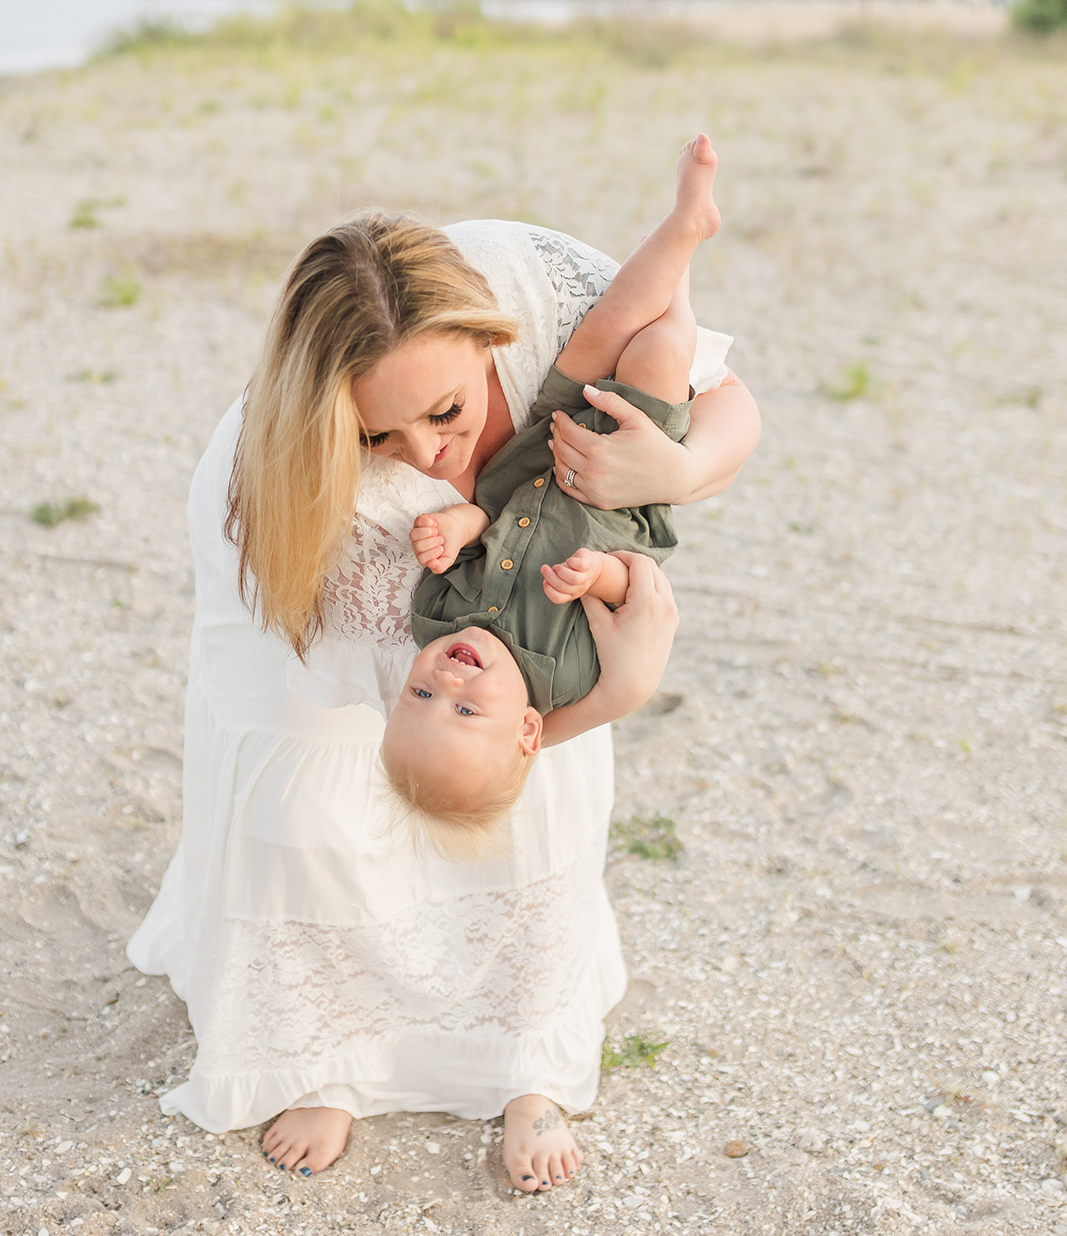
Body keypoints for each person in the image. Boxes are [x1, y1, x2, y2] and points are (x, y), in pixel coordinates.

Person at [127, 189, 760, 1193]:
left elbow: (725, 398)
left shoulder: (537, 291)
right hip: (329, 568)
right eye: (380, 435)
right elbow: (384, 710)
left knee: (520, 787)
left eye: (448, 411)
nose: (427, 453)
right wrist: (601, 695)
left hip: (503, 593)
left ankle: (526, 1058)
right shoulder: (288, 479)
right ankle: (326, 1051)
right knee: (313, 804)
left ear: (489, 338)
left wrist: (673, 472)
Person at [386, 135, 721, 853]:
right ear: (528, 730)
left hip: (543, 445)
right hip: (620, 487)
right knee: (660, 351)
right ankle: (682, 274)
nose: (447, 681)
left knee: (605, 327)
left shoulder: (433, 620)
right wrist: (593, 576)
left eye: (419, 696)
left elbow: (480, 529)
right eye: (467, 711)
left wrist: (457, 526)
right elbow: (636, 586)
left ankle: (682, 229)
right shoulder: (566, 673)